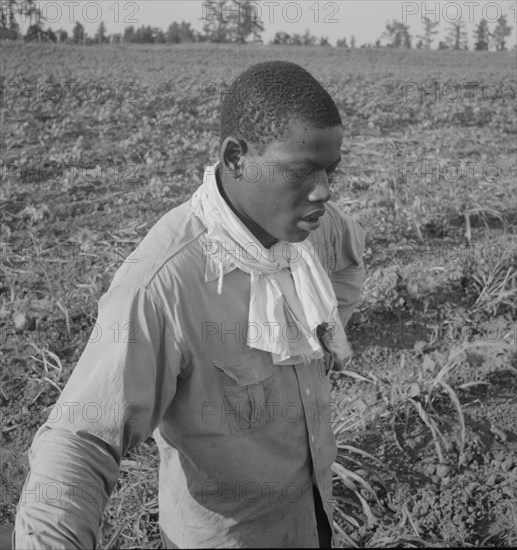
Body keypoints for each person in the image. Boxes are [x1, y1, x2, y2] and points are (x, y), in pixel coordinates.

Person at [14, 60, 365, 549]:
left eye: (332, 170)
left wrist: (326, 331)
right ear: (236, 157)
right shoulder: (163, 283)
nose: (324, 189)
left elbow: (348, 261)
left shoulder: (315, 230)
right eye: (302, 170)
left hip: (314, 517)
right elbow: (81, 440)